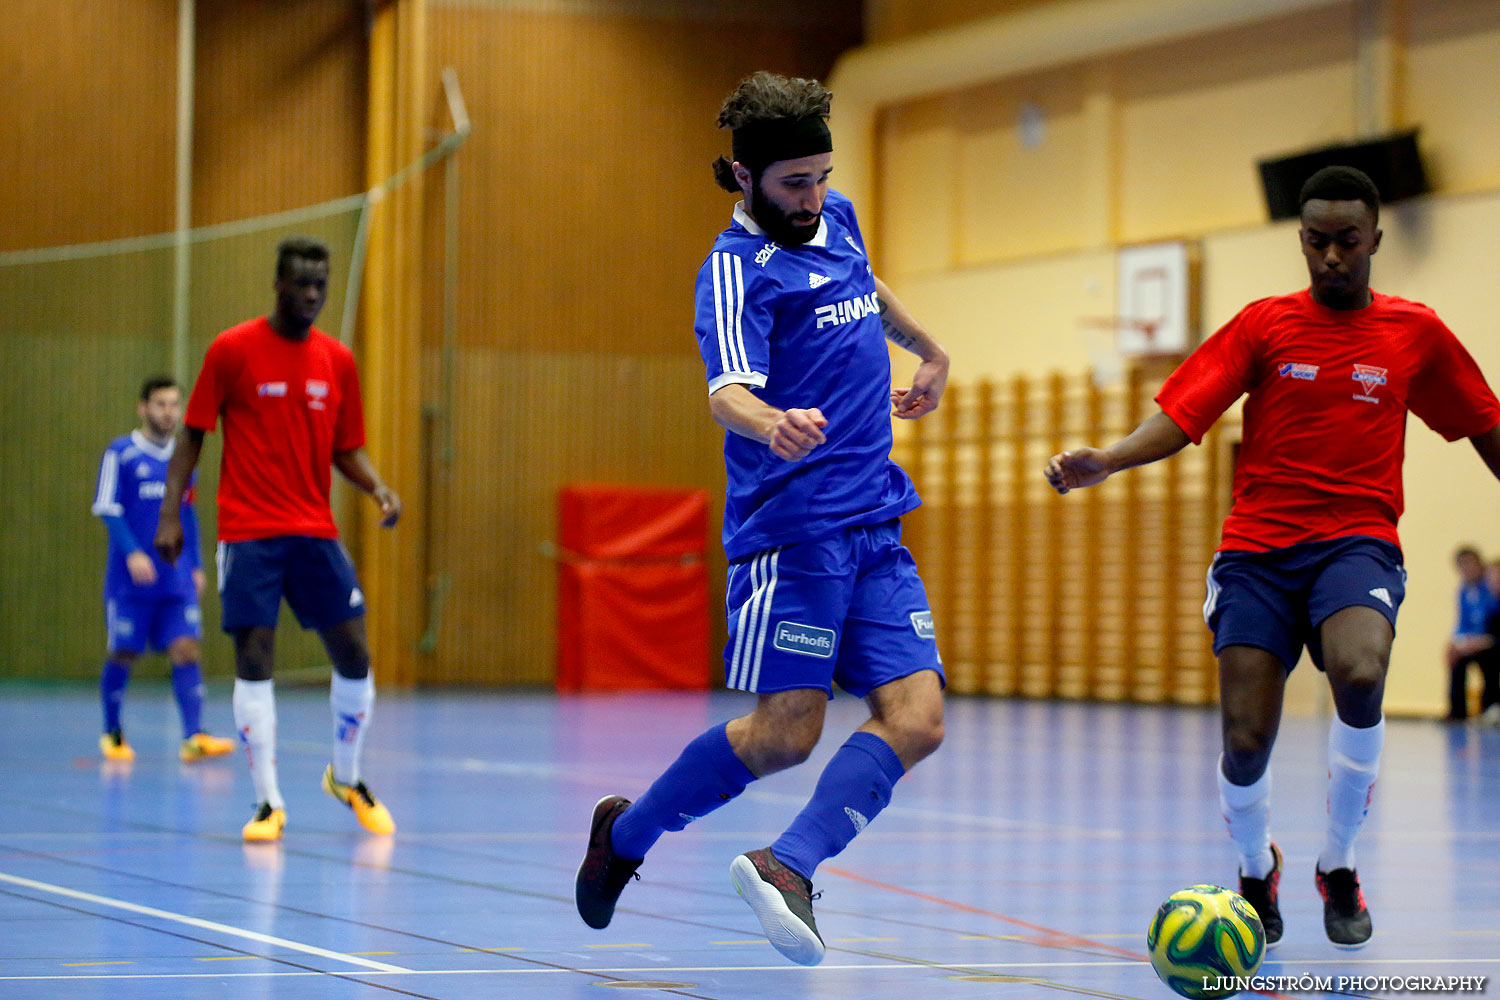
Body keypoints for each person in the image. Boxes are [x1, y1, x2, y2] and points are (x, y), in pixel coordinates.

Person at [1045, 166, 1500, 950]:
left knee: (1360, 672)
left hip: (1356, 541)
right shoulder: (1265, 326)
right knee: (1246, 741)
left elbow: (1484, 424)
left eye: (1347, 242)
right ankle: (1257, 869)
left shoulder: (1413, 333)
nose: (1331, 257)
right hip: (1257, 551)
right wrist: (1111, 459)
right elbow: (1186, 414)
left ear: (1375, 242)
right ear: (1301, 241)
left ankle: (1341, 863)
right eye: (1317, 242)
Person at [574, 71, 949, 966]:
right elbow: (726, 391)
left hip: (877, 526)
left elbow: (868, 281)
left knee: (920, 718)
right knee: (786, 735)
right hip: (795, 533)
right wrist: (770, 421)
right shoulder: (735, 272)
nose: (814, 197)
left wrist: (929, 348)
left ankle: (790, 864)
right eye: (794, 183)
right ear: (743, 177)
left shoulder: (838, 217)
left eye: (822, 176)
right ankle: (626, 838)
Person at [154, 236, 402, 843]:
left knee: (355, 656)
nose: (313, 293)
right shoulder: (233, 350)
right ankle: (268, 802)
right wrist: (169, 516)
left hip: (314, 530)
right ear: (278, 284)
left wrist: (378, 489)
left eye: (321, 283)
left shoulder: (337, 361)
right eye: (301, 283)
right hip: (249, 533)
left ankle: (346, 777)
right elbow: (192, 436)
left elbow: (346, 447)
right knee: (254, 660)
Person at [91, 376, 235, 764]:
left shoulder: (184, 458)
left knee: (187, 648)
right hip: (131, 581)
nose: (168, 412)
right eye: (160, 404)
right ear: (143, 408)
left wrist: (198, 565)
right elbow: (106, 506)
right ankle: (112, 732)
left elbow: (187, 514)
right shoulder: (120, 454)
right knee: (124, 652)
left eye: (174, 404)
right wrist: (132, 553)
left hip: (175, 577)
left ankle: (193, 735)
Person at [1445, 547, 1497, 720]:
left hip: (1488, 642)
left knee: (1489, 659)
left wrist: (1476, 642)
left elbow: (1493, 625)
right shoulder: (1464, 591)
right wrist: (1458, 642)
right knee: (1455, 656)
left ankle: (1489, 707)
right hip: (1475, 642)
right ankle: (1458, 712)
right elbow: (1463, 623)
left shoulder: (1490, 588)